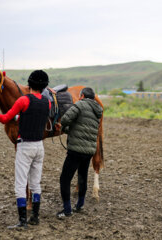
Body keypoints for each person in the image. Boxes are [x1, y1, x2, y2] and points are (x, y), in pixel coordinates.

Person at [0, 70, 50, 228]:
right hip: (39, 147)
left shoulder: (23, 100)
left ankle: (22, 221)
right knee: (35, 183)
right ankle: (35, 217)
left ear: (29, 84)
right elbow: (31, 116)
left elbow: (4, 118)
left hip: (25, 146)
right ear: (44, 86)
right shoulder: (47, 102)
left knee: (20, 184)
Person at [55, 87, 103, 219]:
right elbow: (82, 130)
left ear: (81, 96)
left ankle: (67, 210)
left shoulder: (79, 105)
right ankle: (80, 205)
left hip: (75, 150)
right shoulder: (97, 110)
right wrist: (70, 129)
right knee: (82, 176)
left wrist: (64, 128)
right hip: (89, 151)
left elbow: (65, 119)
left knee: (64, 179)